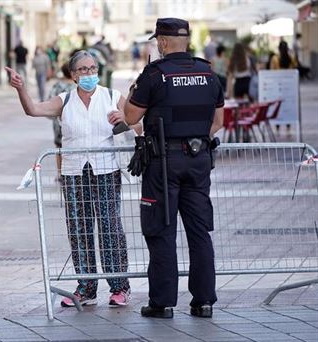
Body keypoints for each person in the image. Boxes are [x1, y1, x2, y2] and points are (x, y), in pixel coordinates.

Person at [5, 50, 136, 308]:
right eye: (83, 70)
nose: (89, 74)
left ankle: (119, 286)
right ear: (74, 75)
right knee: (79, 229)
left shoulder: (111, 96)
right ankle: (86, 287)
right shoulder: (64, 100)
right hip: (74, 172)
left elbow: (137, 122)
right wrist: (20, 88)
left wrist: (125, 120)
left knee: (110, 226)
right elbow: (33, 109)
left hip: (105, 170)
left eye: (93, 68)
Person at [124, 18, 224, 319]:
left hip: (163, 163)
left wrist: (132, 91)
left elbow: (130, 116)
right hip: (198, 160)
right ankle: (203, 302)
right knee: (199, 232)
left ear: (163, 42)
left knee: (161, 230)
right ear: (188, 40)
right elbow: (217, 123)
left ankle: (162, 303)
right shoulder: (208, 73)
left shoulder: (155, 75)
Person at [47, 63, 76, 179]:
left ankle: (60, 173)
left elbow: (50, 100)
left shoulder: (57, 86)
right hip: (75, 121)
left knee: (59, 147)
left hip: (59, 122)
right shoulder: (77, 86)